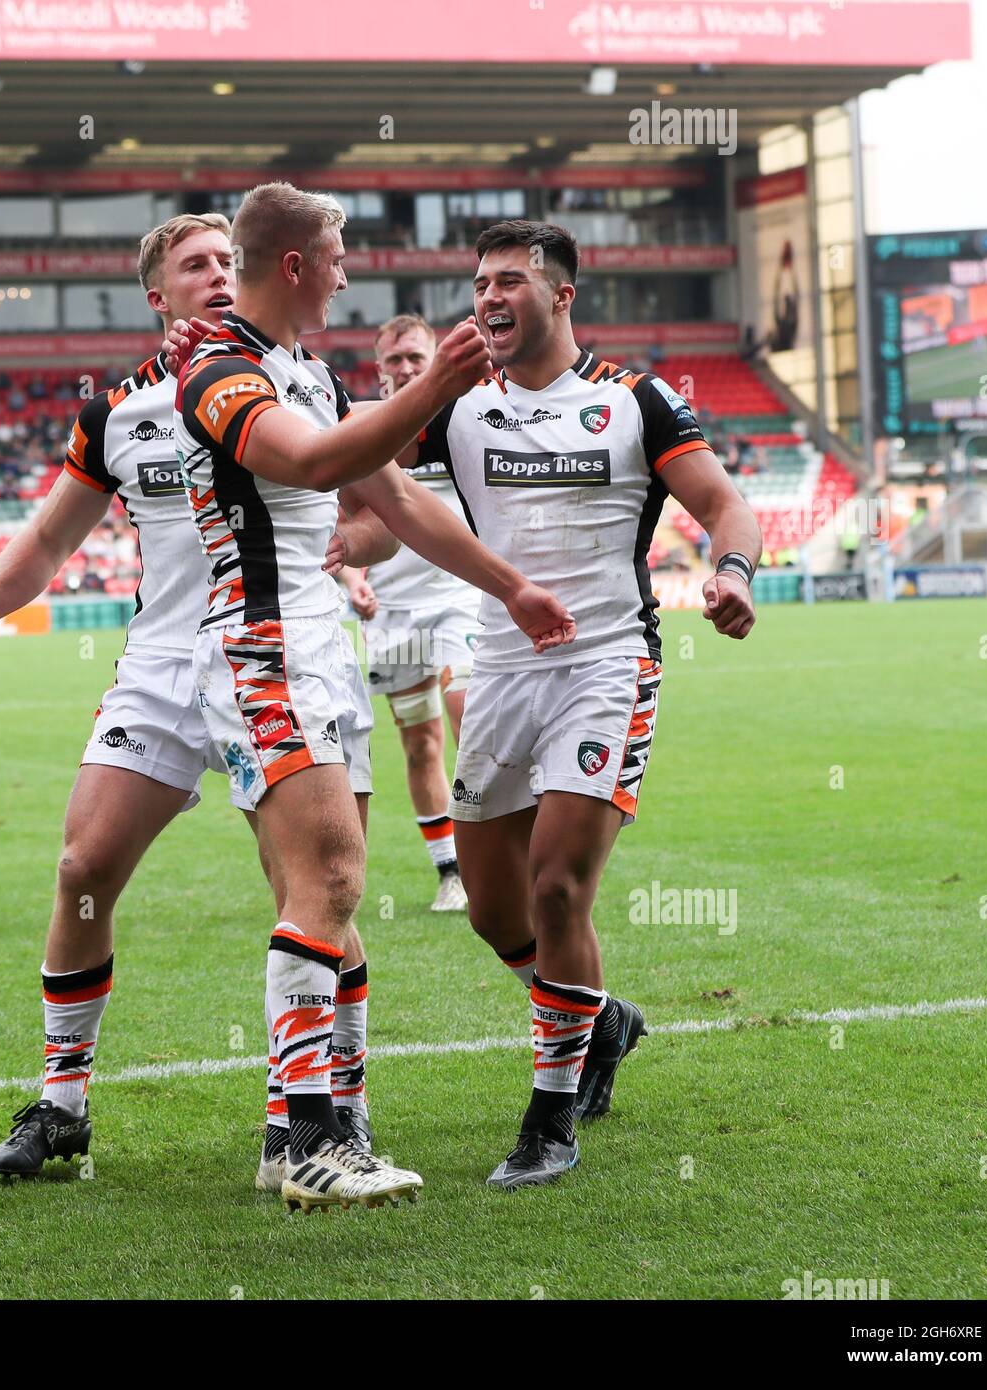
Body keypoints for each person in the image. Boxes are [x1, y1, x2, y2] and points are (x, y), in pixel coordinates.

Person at [0, 215, 395, 1183]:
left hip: (277, 645)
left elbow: (375, 513)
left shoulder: (306, 381)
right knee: (82, 866)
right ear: (158, 294)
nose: (219, 274)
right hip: (163, 665)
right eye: (196, 264)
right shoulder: (117, 410)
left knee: (311, 883)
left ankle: (306, 1122)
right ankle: (63, 1105)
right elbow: (52, 543)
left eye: (230, 259)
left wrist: (351, 550)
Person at [172, 183, 576, 1212]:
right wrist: (433, 384)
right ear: (298, 265)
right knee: (332, 879)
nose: (349, 274)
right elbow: (312, 465)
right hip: (263, 648)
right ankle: (311, 1144)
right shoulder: (214, 364)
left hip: (319, 647)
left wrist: (512, 587)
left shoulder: (306, 369)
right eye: (339, 258)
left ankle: (312, 1124)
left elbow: (397, 496)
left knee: (334, 903)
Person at [397, 220, 761, 1189]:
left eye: (508, 280)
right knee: (490, 905)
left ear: (561, 295)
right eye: (478, 282)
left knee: (559, 885)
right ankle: (601, 1017)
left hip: (607, 663)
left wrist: (731, 574)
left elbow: (727, 504)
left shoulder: (636, 400)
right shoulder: (462, 407)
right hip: (504, 669)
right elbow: (369, 466)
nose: (487, 297)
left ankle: (550, 1119)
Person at [356, 314, 483, 912]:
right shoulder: (364, 428)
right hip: (392, 611)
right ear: (378, 369)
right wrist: (352, 578)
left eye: (415, 358)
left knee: (468, 714)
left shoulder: (463, 416)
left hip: (460, 597)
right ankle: (451, 871)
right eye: (394, 361)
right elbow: (339, 515)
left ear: (434, 358)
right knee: (420, 743)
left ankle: (494, 851)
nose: (405, 369)